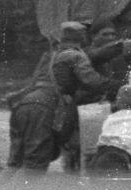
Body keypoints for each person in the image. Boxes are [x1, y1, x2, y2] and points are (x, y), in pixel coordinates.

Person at [50, 21, 124, 172]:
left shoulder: (61, 53)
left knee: (78, 152)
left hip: (73, 107)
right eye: (105, 34)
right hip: (82, 107)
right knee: (88, 153)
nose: (110, 37)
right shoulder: (77, 55)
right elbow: (93, 80)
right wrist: (122, 85)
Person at [5, 52, 61, 176]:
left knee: (15, 161)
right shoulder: (77, 56)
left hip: (25, 104)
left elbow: (33, 83)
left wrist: (18, 96)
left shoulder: (48, 56)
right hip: (43, 108)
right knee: (35, 164)